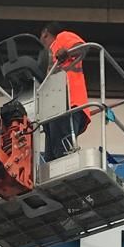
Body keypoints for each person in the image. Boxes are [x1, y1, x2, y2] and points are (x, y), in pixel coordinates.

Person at [39, 22, 91, 161]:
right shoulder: (48, 57)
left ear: (45, 33)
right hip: (54, 108)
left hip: (68, 102)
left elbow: (82, 48)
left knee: (62, 153)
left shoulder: (62, 37)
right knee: (51, 158)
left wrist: (67, 52)